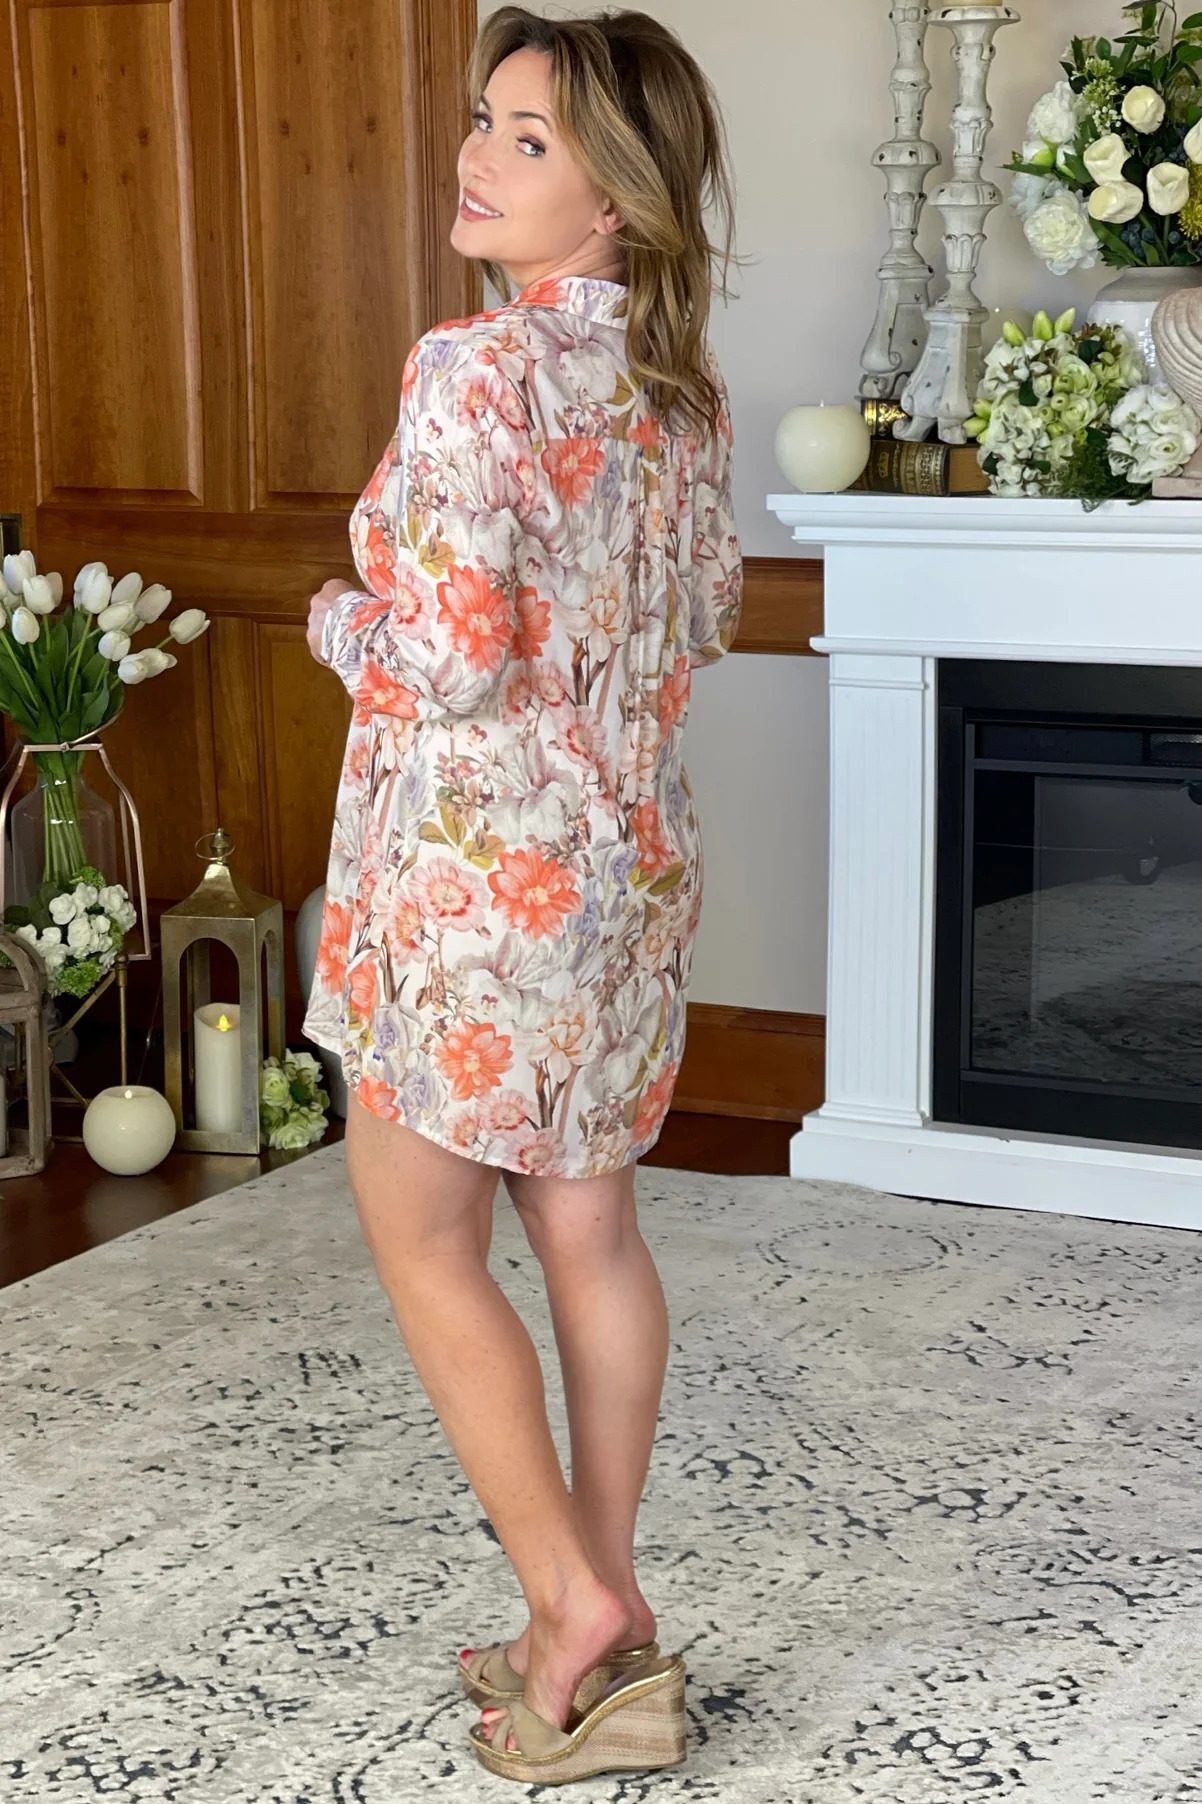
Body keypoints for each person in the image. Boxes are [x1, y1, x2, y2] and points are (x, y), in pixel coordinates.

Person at [304, 5, 742, 1783]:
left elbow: (448, 657)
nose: (479, 157)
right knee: (589, 1229)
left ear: (613, 198)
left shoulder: (473, 369)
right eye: (485, 121)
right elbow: (705, 617)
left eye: (530, 138)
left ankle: (568, 1604)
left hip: (477, 888)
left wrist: (335, 619)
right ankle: (608, 1621)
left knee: (421, 1234)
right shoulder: (680, 392)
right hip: (624, 873)